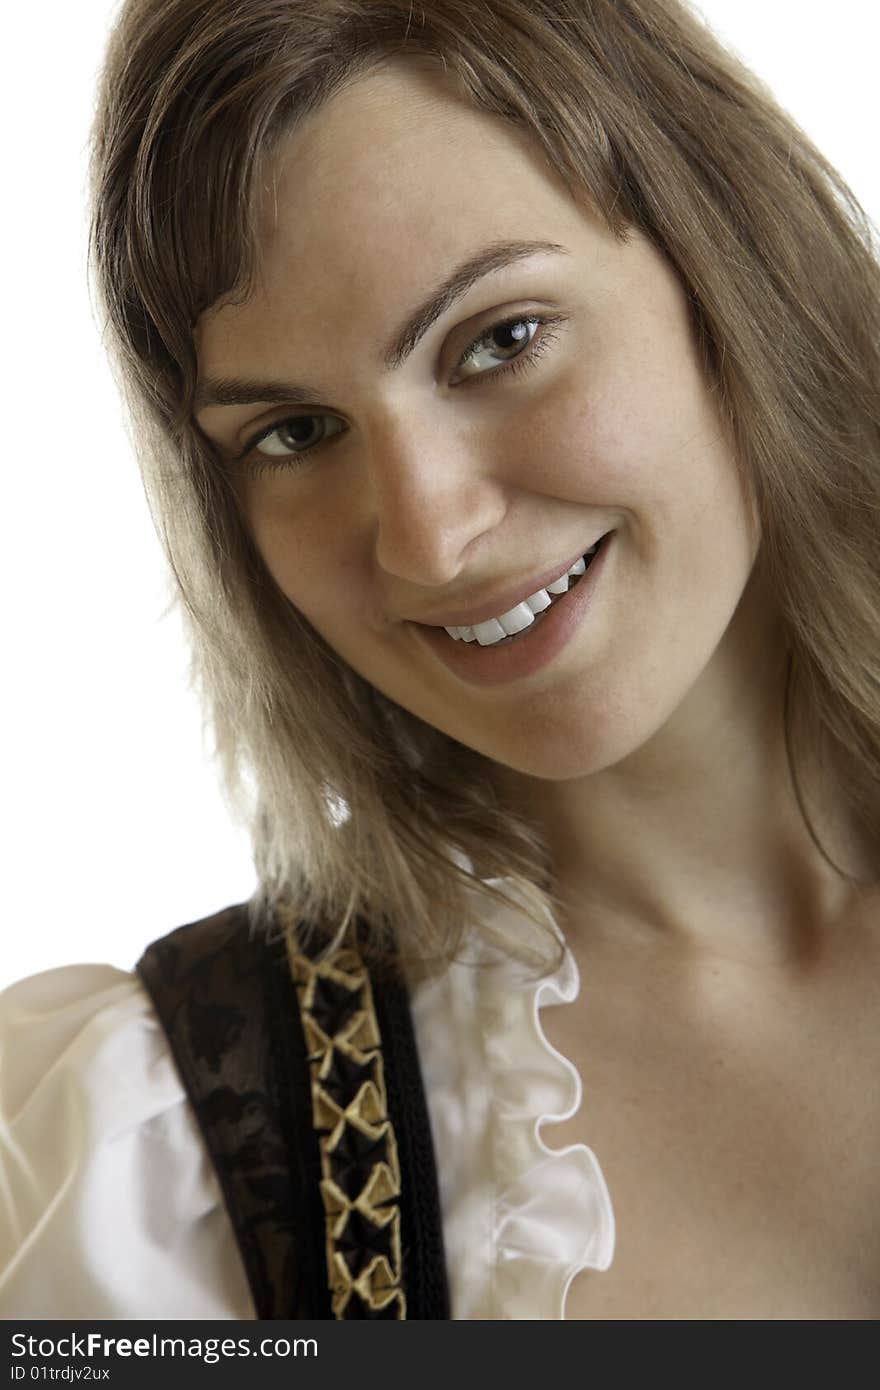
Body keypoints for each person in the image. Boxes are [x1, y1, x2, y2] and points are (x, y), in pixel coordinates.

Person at [1, 0, 878, 1321]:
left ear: (726, 267)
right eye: (294, 432)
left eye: (499, 340)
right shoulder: (174, 1156)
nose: (429, 539)